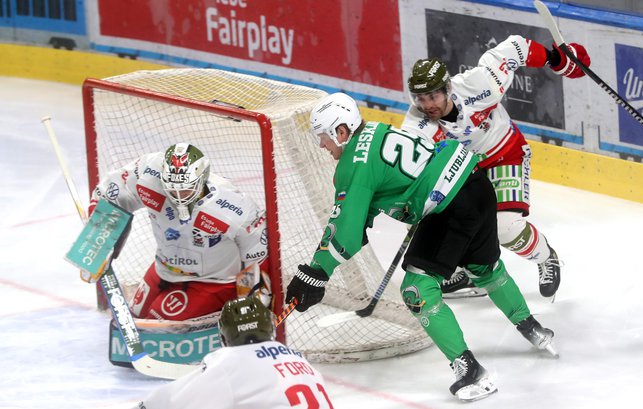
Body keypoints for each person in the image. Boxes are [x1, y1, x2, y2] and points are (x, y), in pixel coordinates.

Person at [286, 93, 557, 402]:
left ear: (342, 132)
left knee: (417, 288)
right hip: (478, 187)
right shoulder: (375, 131)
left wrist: (314, 273)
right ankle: (532, 328)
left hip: (450, 206)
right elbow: (362, 220)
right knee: (484, 267)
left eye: (323, 137)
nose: (322, 146)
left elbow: (344, 233)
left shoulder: (352, 165)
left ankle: (470, 369)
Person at [402, 36, 591, 299]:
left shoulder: (478, 84)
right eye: (420, 98)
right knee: (455, 221)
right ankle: (476, 274)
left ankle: (545, 257)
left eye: (433, 95)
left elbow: (516, 47)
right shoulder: (415, 126)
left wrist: (554, 58)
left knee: (503, 226)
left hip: (504, 152)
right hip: (465, 173)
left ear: (447, 88)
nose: (428, 105)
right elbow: (411, 166)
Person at [89, 142, 271, 320]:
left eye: (185, 189)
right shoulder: (147, 175)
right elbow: (109, 193)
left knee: (153, 329)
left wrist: (250, 302)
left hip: (211, 282)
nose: (178, 196)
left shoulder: (233, 207)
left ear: (202, 179)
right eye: (172, 188)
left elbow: (257, 257)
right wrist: (97, 240)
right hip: (163, 269)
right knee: (134, 318)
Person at [132, 295, 334, 408]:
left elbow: (174, 401)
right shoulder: (298, 358)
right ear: (270, 329)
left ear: (224, 336)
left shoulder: (228, 362)